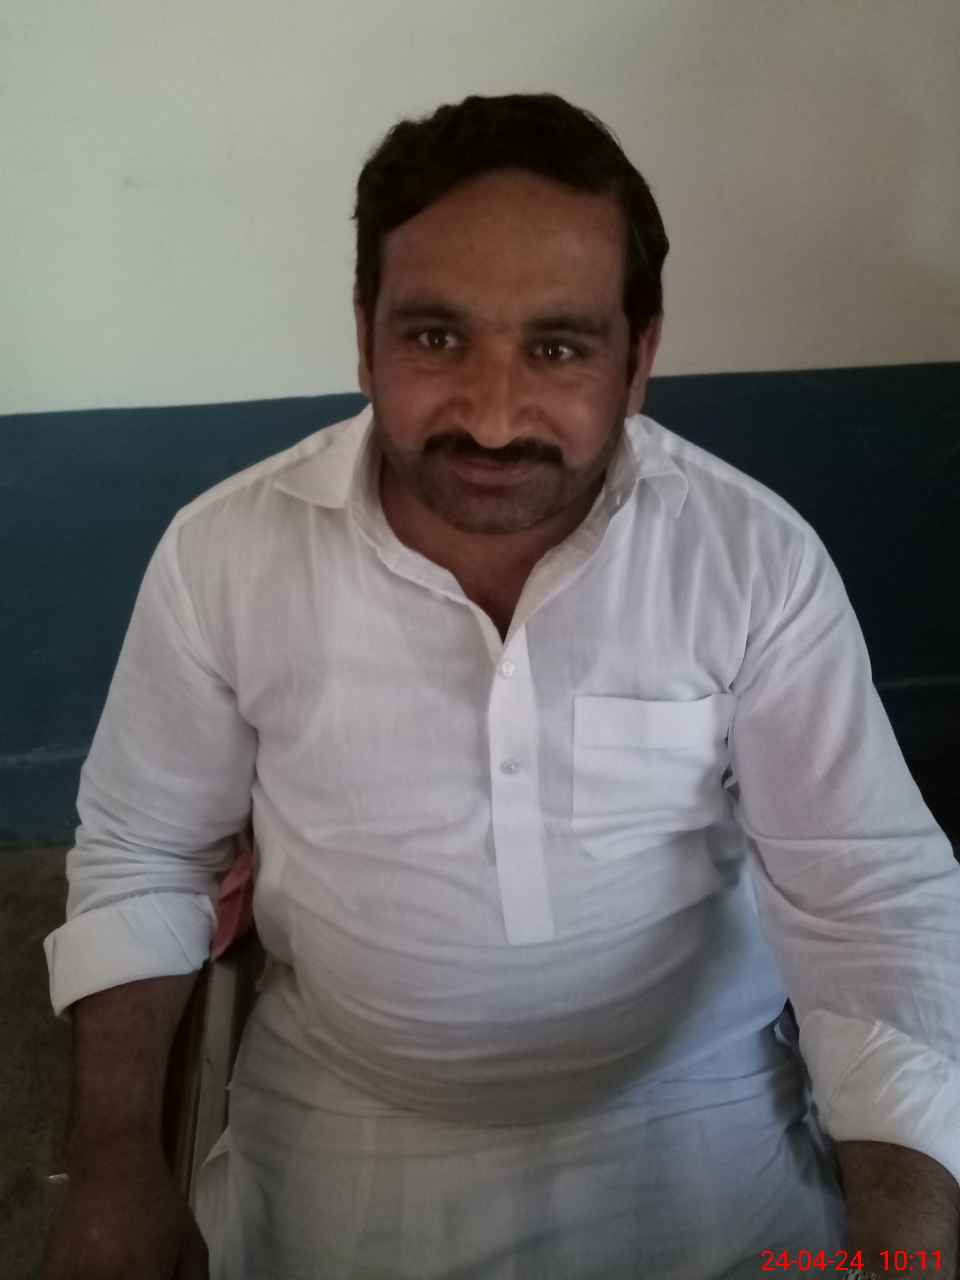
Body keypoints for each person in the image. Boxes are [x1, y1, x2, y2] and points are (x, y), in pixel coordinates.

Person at [41, 93, 960, 1280]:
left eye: (558, 347)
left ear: (640, 360)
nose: (490, 416)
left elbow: (867, 895)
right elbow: (146, 851)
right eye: (436, 338)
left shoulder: (751, 561)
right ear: (364, 336)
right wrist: (115, 1165)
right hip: (347, 1123)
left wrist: (907, 1233)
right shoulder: (225, 555)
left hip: (706, 1116)